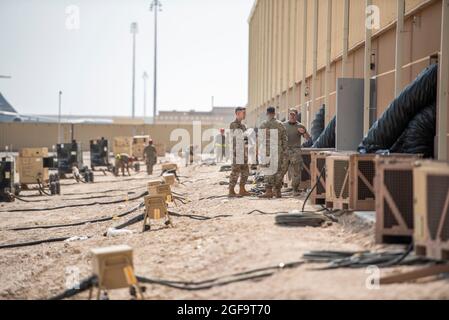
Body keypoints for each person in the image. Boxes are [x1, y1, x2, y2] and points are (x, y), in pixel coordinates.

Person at [259, 106, 288, 199]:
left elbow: (260, 139)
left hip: (267, 151)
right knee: (278, 170)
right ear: (274, 113)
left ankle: (269, 191)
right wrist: (284, 151)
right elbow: (285, 139)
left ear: (267, 114)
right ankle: (278, 191)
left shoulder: (263, 124)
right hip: (278, 151)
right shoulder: (280, 124)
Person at [280, 108, 311, 196]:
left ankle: (295, 189)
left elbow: (308, 138)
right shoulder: (283, 125)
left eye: (294, 115)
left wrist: (304, 132)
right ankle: (277, 188)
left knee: (296, 171)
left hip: (296, 151)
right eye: (291, 115)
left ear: (296, 115)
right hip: (285, 150)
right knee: (282, 169)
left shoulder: (300, 126)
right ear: (288, 115)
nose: (292, 117)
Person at [229, 107, 250, 197]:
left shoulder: (243, 126)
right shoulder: (233, 125)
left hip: (243, 151)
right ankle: (231, 191)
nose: (245, 114)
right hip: (236, 152)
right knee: (235, 172)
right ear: (237, 113)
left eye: (245, 113)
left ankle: (242, 189)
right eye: (243, 113)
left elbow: (246, 138)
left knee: (245, 171)